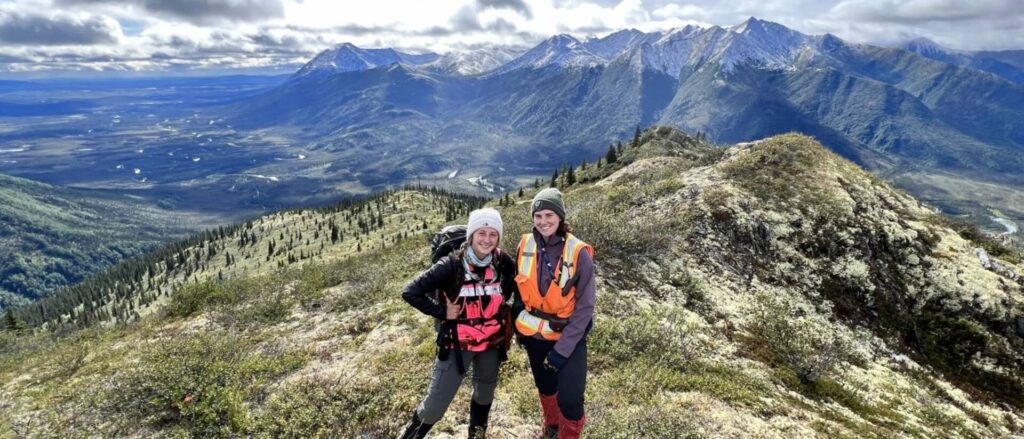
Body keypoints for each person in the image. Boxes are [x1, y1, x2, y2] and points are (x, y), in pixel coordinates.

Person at [400, 207, 517, 439]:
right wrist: (442, 311)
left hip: (491, 344)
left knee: (484, 395)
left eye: (493, 234)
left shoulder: (502, 262)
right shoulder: (450, 265)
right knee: (435, 405)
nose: (487, 239)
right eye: (481, 233)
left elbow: (511, 287)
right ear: (471, 235)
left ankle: (477, 435)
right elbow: (410, 292)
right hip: (456, 344)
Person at [513, 188, 595, 439]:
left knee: (570, 400)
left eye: (549, 214)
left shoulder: (578, 252)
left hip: (567, 336)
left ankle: (567, 434)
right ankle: (551, 427)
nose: (543, 221)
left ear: (560, 217)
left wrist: (563, 350)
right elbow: (519, 288)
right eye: (538, 215)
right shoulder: (525, 244)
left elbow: (585, 306)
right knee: (545, 387)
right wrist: (517, 321)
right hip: (535, 335)